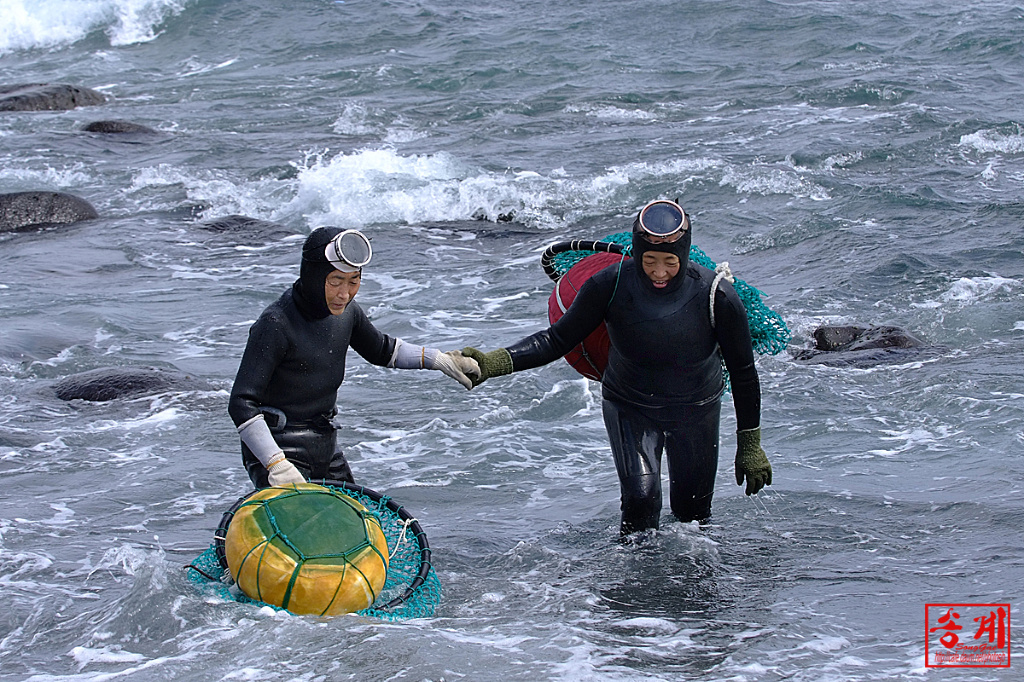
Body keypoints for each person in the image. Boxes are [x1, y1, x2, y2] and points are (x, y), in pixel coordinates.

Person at [461, 200, 772, 535]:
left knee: (693, 517)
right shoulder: (608, 285)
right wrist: (492, 363)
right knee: (640, 502)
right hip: (630, 406)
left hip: (696, 410)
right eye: (649, 260)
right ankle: (628, 581)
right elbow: (556, 339)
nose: (659, 271)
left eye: (670, 262)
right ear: (636, 252)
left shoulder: (717, 296)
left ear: (684, 255)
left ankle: (693, 583)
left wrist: (750, 445)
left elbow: (743, 373)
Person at [229, 227, 480, 489]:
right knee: (302, 526)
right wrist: (275, 463)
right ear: (313, 276)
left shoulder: (348, 313)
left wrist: (440, 359)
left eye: (354, 281)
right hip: (279, 447)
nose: (344, 294)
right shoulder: (275, 324)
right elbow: (241, 403)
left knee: (354, 522)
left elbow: (383, 350)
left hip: (324, 445)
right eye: (335, 281)